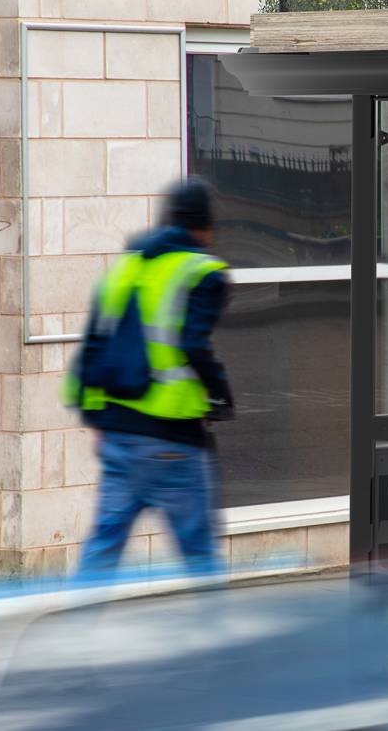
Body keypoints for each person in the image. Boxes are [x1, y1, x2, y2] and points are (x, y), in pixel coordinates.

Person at [65, 179, 235, 576]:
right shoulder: (203, 271)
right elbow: (193, 345)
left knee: (103, 546)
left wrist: (97, 419)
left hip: (119, 436)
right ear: (203, 227)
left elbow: (93, 345)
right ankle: (216, 632)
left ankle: (72, 630)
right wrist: (221, 393)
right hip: (174, 440)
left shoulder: (127, 266)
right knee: (200, 554)